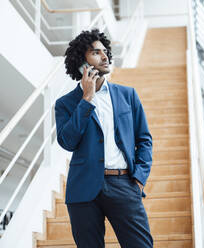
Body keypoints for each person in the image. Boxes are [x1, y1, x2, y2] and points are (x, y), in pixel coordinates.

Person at [54, 28, 153, 248]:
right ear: (82, 61)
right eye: (96, 53)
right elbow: (67, 141)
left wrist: (138, 179)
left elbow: (144, 140)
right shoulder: (65, 104)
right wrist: (86, 100)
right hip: (83, 191)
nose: (105, 55)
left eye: (105, 51)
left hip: (123, 184)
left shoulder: (128, 96)